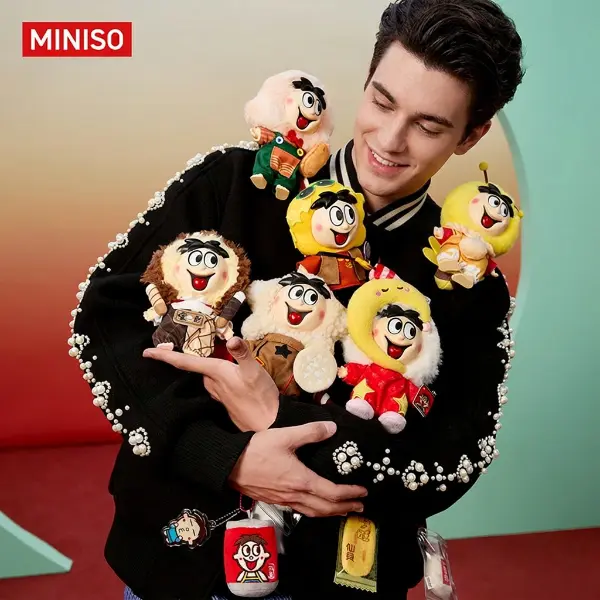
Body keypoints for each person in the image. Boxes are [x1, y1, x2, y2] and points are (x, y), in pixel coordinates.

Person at [70, 1, 524, 599]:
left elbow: (453, 458)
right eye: (382, 102)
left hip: (344, 580)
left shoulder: (472, 286)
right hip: (176, 561)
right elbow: (106, 322)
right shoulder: (232, 183)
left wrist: (275, 419)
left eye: (429, 125)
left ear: (473, 134)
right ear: (366, 80)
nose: (390, 140)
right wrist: (223, 455)